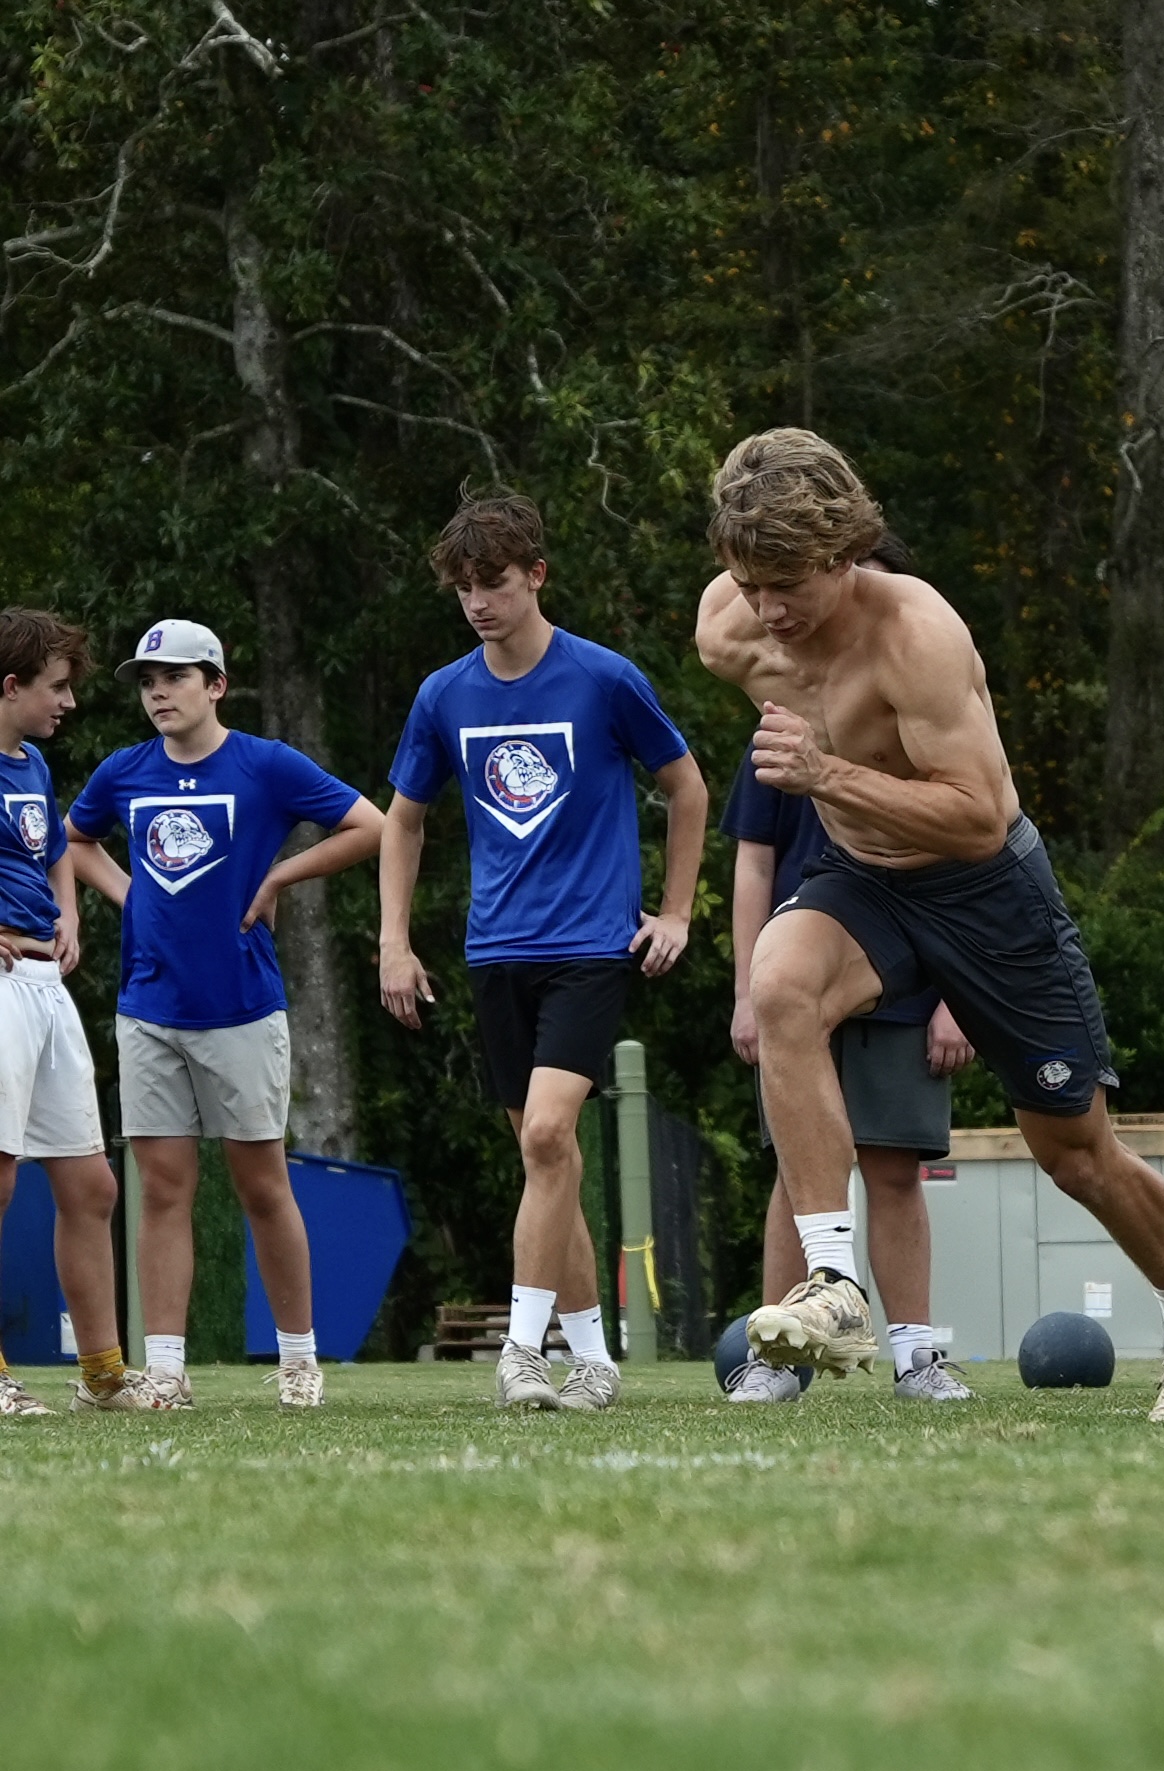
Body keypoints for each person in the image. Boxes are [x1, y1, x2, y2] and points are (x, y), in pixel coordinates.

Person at [695, 428, 1164, 1422]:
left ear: (842, 553)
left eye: (790, 584)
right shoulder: (729, 627)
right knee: (780, 986)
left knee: (1074, 1151)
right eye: (749, 579)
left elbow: (975, 817)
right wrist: (831, 791)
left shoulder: (916, 636)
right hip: (861, 880)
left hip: (984, 889)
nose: (768, 611)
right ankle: (829, 1284)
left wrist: (825, 775)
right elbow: (764, 659)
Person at [381, 488, 708, 1412]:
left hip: (592, 947)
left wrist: (675, 913)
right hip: (496, 953)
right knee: (545, 1164)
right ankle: (596, 1361)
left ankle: (521, 1351)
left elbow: (686, 787)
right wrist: (393, 943)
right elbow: (404, 822)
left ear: (537, 575)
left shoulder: (604, 679)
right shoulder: (443, 694)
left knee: (548, 1132)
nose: (479, 602)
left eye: (494, 583)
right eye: (463, 588)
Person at [65, 619, 386, 1410]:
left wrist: (279, 879)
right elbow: (74, 838)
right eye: (147, 681)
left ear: (217, 684)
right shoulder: (124, 770)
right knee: (163, 1188)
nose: (158, 693)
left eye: (175, 676)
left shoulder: (264, 764)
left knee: (262, 1184)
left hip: (242, 1008)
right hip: (149, 1008)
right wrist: (126, 892)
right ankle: (167, 1369)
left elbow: (370, 826)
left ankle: (299, 1358)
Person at [723, 530, 978, 1405]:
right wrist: (747, 992)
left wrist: (956, 997)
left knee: (896, 1162)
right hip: (803, 958)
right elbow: (753, 863)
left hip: (911, 954)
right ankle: (781, 1355)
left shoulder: (929, 691)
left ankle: (915, 1356)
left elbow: (971, 845)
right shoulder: (778, 707)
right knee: (799, 1170)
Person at [0, 606, 157, 1415]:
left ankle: (102, 1375)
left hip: (44, 988)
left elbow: (58, 848)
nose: (67, 701)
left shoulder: (29, 765)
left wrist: (68, 914)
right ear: (10, 684)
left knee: (92, 1184)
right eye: (56, 687)